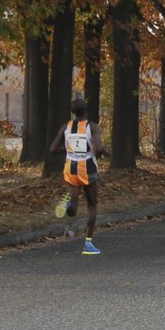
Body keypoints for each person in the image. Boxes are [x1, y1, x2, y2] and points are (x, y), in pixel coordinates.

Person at [51, 96, 103, 255]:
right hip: (87, 170)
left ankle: (68, 204)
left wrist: (68, 151)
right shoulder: (92, 126)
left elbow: (52, 149)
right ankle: (88, 244)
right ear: (86, 109)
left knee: (73, 211)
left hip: (70, 170)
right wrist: (103, 152)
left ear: (72, 112)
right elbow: (98, 149)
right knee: (92, 206)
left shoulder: (65, 127)